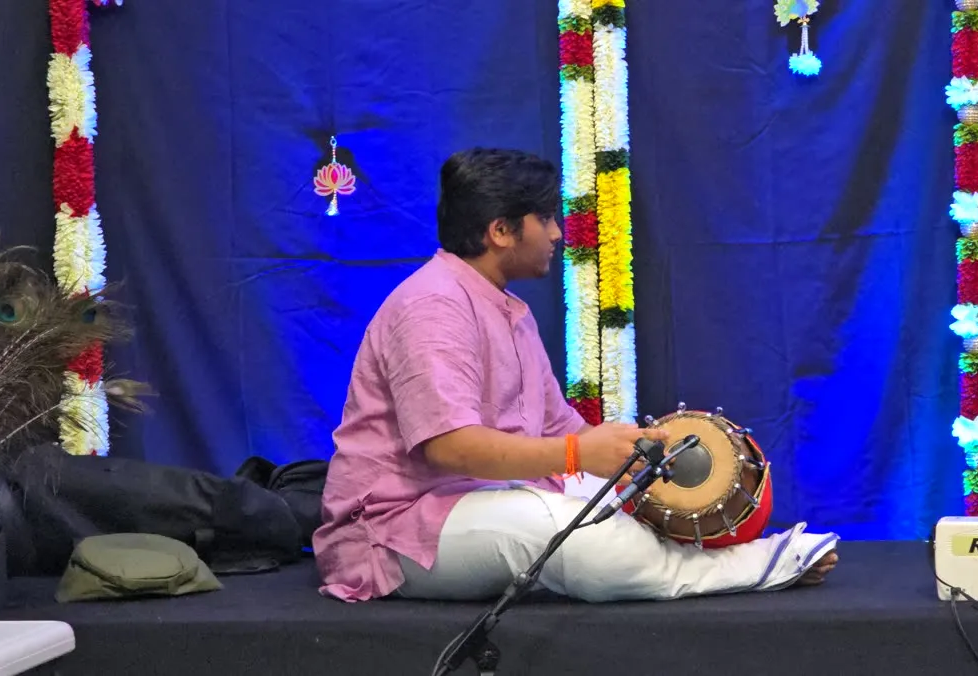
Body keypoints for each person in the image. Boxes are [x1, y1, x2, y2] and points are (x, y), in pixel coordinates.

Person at [312, 148, 839, 603]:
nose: (558, 233)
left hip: (484, 498)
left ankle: (727, 549)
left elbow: (560, 429)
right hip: (396, 527)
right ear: (500, 231)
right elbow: (450, 448)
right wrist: (576, 456)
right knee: (570, 531)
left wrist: (637, 454)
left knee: (623, 498)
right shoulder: (431, 306)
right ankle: (743, 570)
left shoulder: (507, 310)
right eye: (545, 218)